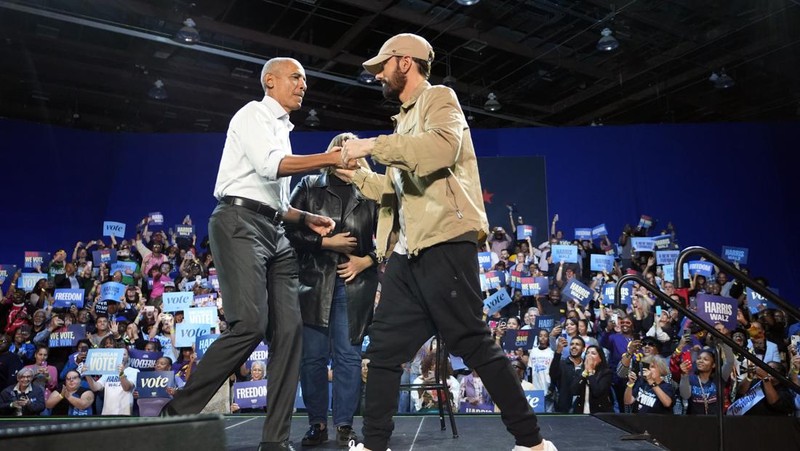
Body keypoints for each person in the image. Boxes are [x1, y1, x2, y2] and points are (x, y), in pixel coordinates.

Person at [339, 33, 555, 451]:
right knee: (383, 351)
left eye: (383, 65)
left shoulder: (440, 98)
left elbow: (439, 150)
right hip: (409, 252)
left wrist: (371, 146)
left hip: (444, 242)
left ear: (405, 62)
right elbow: (398, 190)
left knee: (472, 341)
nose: (379, 74)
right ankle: (373, 444)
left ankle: (532, 444)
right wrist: (360, 176)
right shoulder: (403, 121)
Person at [159, 56, 342, 451]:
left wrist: (303, 216)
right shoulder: (252, 115)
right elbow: (272, 166)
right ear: (270, 82)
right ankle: (174, 416)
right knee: (250, 324)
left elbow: (272, 197)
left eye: (305, 79)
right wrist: (331, 158)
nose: (303, 85)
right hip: (238, 223)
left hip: (275, 229)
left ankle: (274, 441)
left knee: (290, 333)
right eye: (296, 77)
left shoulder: (281, 128)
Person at [286, 132, 379, 447]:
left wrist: (367, 261)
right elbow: (286, 231)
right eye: (341, 147)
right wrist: (325, 242)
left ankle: (344, 426)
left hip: (355, 284)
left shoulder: (373, 189)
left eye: (352, 148)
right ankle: (316, 424)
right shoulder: (309, 186)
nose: (347, 152)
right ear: (332, 153)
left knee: (348, 357)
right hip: (313, 283)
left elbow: (394, 235)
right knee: (311, 358)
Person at [571, 345, 614, 413]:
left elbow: (597, 392)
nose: (589, 356)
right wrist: (584, 373)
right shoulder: (580, 372)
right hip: (580, 411)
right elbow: (574, 391)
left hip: (599, 412)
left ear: (600, 358)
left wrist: (590, 372)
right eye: (587, 353)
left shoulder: (606, 373)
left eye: (593, 353)